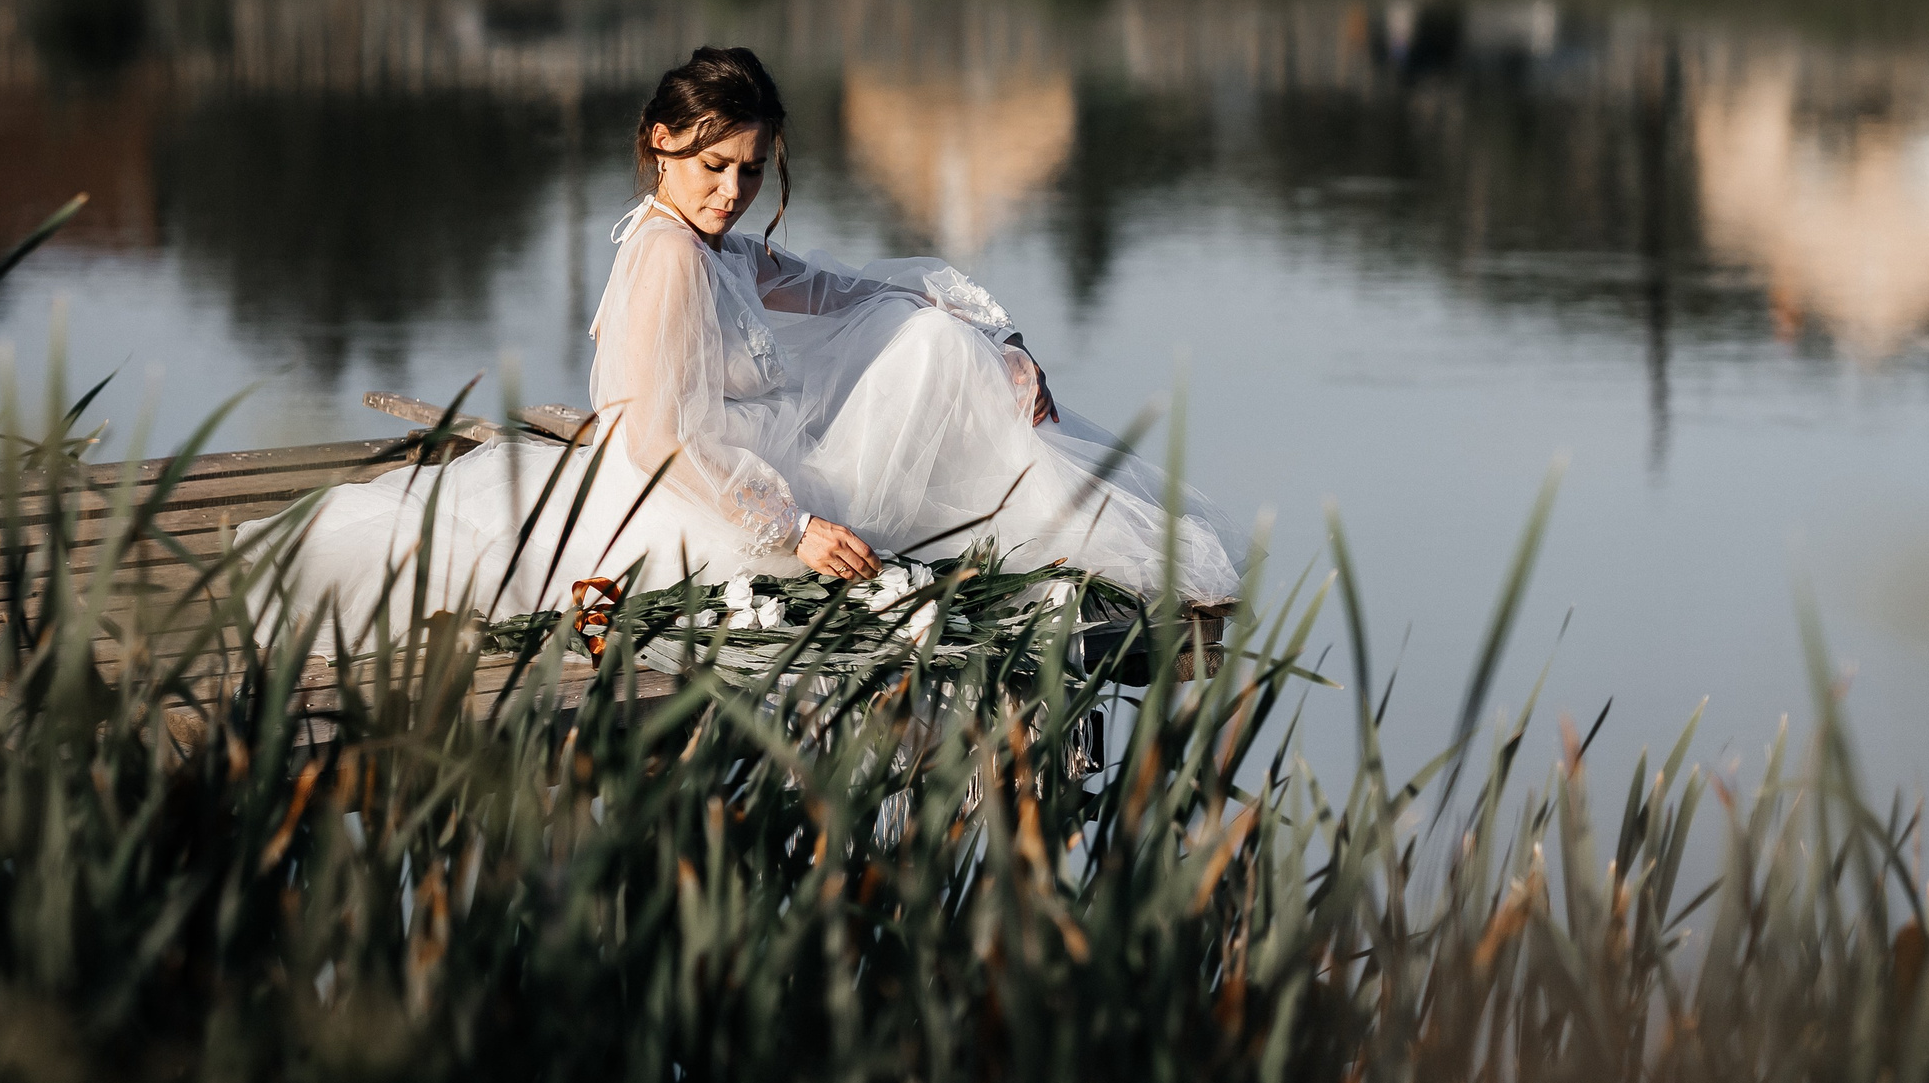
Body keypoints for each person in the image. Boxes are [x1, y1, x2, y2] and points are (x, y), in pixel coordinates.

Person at [251, 47, 1239, 646]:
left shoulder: (711, 245)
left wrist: (990, 336)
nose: (731, 191)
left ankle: (1011, 465)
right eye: (713, 165)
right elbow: (653, 438)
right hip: (697, 500)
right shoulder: (666, 259)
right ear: (658, 143)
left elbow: (828, 288)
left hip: (758, 465)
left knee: (925, 335)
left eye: (751, 171)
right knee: (925, 368)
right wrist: (792, 528)